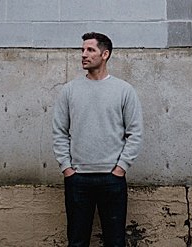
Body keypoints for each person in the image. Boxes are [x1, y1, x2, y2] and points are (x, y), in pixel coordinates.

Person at [52, 32, 143, 247]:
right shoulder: (69, 90)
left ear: (105, 54)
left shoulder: (124, 90)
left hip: (112, 179)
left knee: (115, 241)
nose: (84, 54)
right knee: (77, 241)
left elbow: (135, 133)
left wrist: (121, 168)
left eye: (90, 50)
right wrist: (67, 168)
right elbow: (59, 132)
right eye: (82, 50)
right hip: (78, 179)